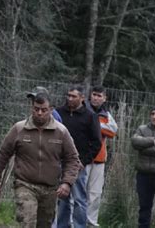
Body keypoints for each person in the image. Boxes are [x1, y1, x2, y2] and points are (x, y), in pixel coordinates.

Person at [0, 92, 81, 227]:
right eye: (36, 109)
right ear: (31, 108)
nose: (39, 113)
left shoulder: (61, 132)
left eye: (43, 110)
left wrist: (67, 182)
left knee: (44, 225)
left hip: (50, 188)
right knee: (28, 222)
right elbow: (3, 155)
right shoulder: (19, 129)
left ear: (51, 110)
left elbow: (72, 159)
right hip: (25, 184)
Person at [56, 85, 101, 228]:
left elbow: (96, 142)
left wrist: (85, 161)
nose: (70, 99)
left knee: (79, 199)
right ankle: (62, 225)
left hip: (77, 164)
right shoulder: (59, 113)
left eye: (73, 96)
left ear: (82, 98)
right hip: (59, 161)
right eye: (68, 95)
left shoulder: (90, 116)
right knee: (62, 197)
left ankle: (79, 225)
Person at [85, 85, 118, 227]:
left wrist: (94, 124)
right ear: (90, 95)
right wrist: (99, 127)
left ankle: (91, 222)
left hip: (99, 159)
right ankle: (73, 222)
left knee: (95, 194)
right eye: (94, 94)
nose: (96, 98)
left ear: (105, 98)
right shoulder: (82, 109)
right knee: (77, 192)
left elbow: (113, 132)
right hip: (83, 157)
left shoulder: (106, 114)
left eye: (100, 95)